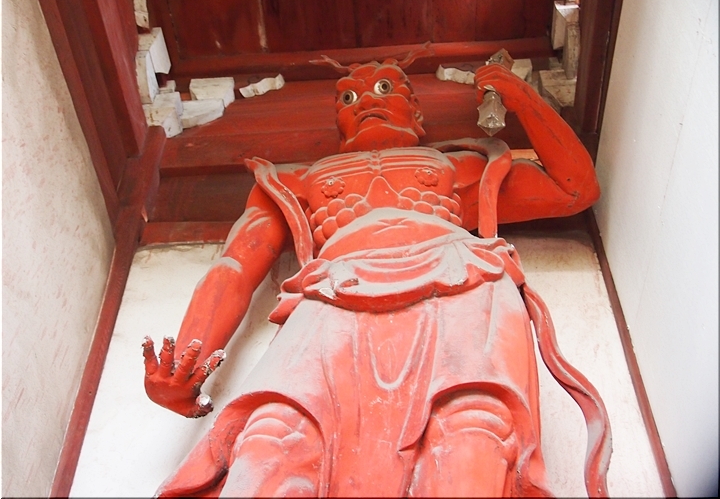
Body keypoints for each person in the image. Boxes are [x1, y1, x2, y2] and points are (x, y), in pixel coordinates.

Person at [142, 47, 611, 497]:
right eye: (349, 97)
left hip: (458, 278)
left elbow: (574, 188)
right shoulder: (292, 181)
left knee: (472, 423)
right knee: (275, 433)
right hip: (333, 290)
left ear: (416, 112)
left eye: (385, 88)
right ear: (339, 121)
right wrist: (186, 361)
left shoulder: (461, 166)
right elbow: (236, 265)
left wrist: (523, 99)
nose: (366, 100)